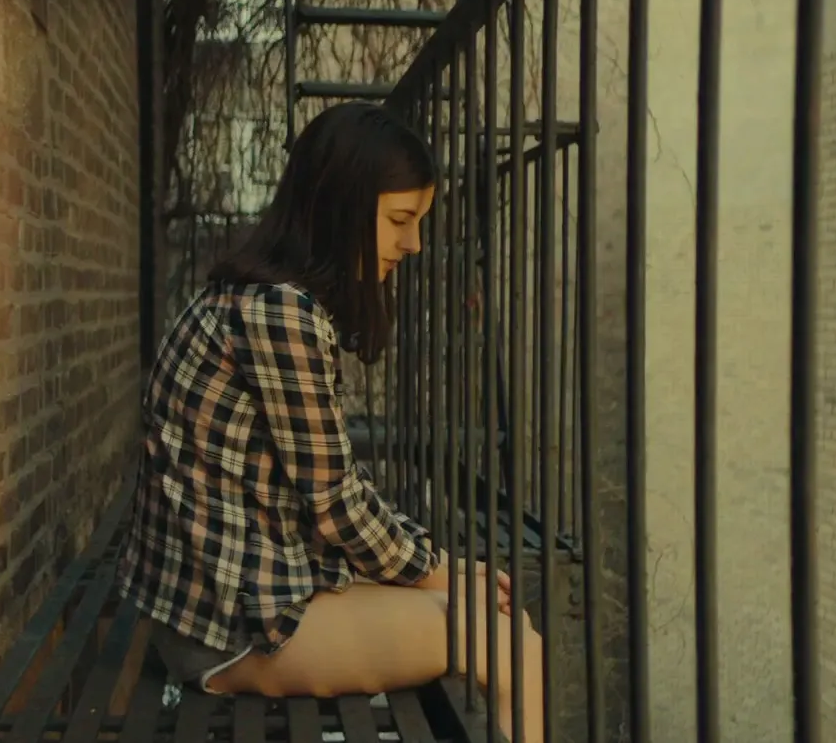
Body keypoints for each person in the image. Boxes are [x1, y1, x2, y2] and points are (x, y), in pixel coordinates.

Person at [117, 100, 544, 743]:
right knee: (512, 649)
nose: (414, 244)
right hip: (230, 628)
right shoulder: (278, 313)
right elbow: (336, 503)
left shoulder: (257, 296)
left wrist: (439, 568)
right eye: (400, 220)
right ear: (339, 205)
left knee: (503, 626)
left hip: (232, 597)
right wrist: (441, 571)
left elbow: (335, 481)